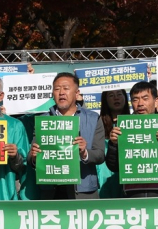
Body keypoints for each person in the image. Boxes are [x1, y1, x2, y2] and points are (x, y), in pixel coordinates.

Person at [28, 72, 105, 200]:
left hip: (83, 190)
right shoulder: (43, 121)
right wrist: (34, 156)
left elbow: (100, 155)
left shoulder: (92, 118)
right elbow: (31, 158)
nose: (61, 92)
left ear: (77, 93)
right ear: (53, 94)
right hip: (51, 190)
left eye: (66, 88)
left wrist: (84, 153)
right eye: (57, 89)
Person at [106, 82, 158, 197]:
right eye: (135, 99)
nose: (140, 104)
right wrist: (113, 145)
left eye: (145, 98)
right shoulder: (122, 128)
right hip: (132, 192)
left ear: (156, 101)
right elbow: (113, 166)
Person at [98, 89, 130, 198]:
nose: (116, 98)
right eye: (111, 95)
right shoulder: (98, 124)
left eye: (120, 94)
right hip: (105, 180)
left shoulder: (135, 122)